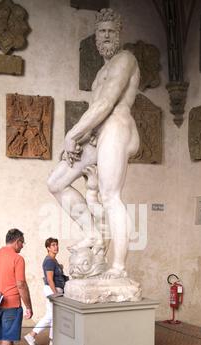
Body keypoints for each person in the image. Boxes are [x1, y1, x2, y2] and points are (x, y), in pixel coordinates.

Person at [47, 8, 140, 279]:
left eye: (111, 30)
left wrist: (73, 135)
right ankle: (91, 234)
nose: (107, 35)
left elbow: (106, 103)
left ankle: (119, 267)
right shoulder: (101, 71)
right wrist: (81, 136)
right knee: (56, 182)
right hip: (97, 134)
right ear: (96, 37)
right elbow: (96, 109)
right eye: (102, 31)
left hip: (117, 127)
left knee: (111, 196)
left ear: (119, 34)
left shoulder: (126, 59)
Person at [24, 237, 68, 345]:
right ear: (48, 248)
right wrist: (55, 294)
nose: (56, 247)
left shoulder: (54, 261)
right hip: (52, 290)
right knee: (51, 315)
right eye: (53, 245)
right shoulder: (49, 261)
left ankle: (53, 341)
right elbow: (49, 279)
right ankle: (31, 335)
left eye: (56, 244)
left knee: (54, 315)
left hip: (56, 289)